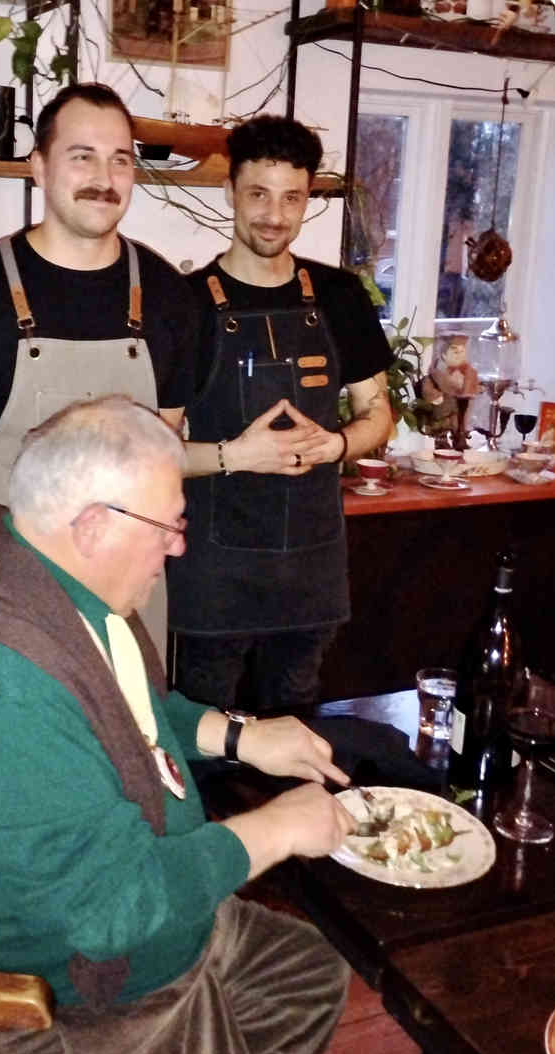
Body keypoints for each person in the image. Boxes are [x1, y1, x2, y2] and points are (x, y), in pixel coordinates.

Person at [0, 396, 356, 1054]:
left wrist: (238, 734)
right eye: (169, 524)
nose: (178, 546)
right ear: (93, 523)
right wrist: (276, 829)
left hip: (118, 950)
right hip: (39, 1026)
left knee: (309, 972)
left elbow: (128, 707)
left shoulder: (49, 582)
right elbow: (112, 908)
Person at [0, 82, 197, 659]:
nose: (104, 178)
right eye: (82, 156)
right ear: (38, 167)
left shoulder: (168, 297)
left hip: (129, 585)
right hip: (12, 583)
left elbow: (163, 445)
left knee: (130, 713)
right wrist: (18, 534)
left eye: (120, 160)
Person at [162, 115, 393, 716]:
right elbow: (153, 451)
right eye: (258, 194)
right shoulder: (185, 305)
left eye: (292, 197)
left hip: (311, 570)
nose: (274, 214)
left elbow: (377, 414)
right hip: (215, 574)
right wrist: (236, 455)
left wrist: (337, 445)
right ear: (230, 191)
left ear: (308, 199)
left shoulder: (340, 296)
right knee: (205, 734)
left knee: (296, 725)